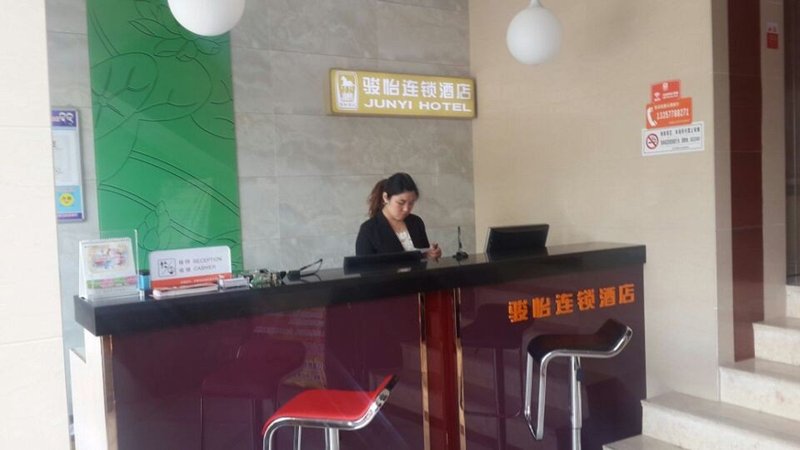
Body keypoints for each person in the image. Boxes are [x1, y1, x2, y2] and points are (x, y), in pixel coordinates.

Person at [356, 172, 442, 259]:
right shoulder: (369, 230)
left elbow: (424, 257)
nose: (406, 209)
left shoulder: (416, 222)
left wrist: (430, 254)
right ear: (386, 197)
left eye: (411, 203)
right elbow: (363, 265)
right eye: (401, 202)